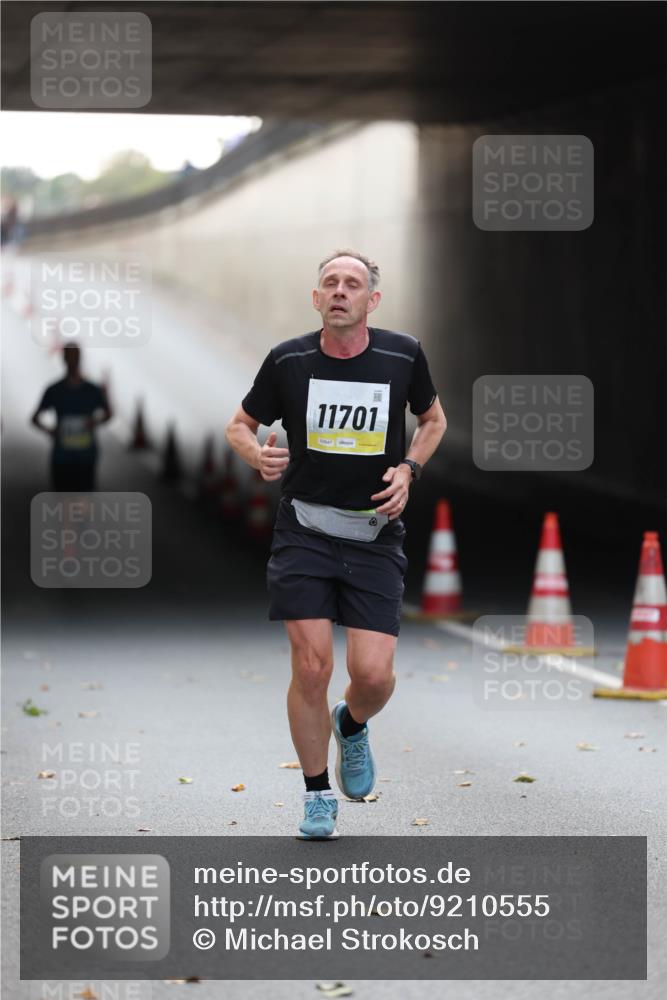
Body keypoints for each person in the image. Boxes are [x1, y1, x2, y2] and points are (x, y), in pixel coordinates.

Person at [225, 250, 446, 839]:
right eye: (330, 283)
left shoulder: (402, 354)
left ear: (372, 300)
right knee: (313, 664)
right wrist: (258, 456)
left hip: (374, 535)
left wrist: (408, 469)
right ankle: (317, 793)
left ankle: (351, 723)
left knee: (372, 676)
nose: (341, 291)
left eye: (353, 284)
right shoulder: (289, 360)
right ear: (316, 298)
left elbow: (432, 421)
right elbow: (239, 426)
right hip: (305, 531)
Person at [31, 343, 112, 491]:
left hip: (86, 456)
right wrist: (50, 431)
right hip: (62, 457)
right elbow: (34, 418)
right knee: (62, 500)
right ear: (64, 359)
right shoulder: (55, 390)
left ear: (80, 359)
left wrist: (95, 422)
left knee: (85, 500)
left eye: (75, 357)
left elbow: (109, 413)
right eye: (70, 357)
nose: (73, 361)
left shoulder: (92, 390)